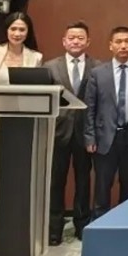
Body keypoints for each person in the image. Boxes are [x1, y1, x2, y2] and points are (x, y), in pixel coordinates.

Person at [0, 12, 42, 247]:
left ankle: (16, 227)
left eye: (22, 29)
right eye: (14, 29)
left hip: (21, 124)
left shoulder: (35, 57)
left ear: (28, 32)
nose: (17, 33)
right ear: (6, 31)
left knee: (17, 178)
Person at [83, 26, 128, 225]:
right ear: (111, 45)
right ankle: (100, 226)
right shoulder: (97, 73)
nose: (123, 46)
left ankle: (125, 226)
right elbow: (90, 107)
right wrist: (90, 137)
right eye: (118, 42)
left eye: (127, 41)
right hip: (104, 138)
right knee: (102, 187)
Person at [43, 21, 97, 244]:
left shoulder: (97, 67)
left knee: (83, 181)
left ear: (88, 42)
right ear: (64, 41)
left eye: (80, 38)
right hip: (58, 132)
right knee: (56, 182)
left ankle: (82, 225)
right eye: (71, 38)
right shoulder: (49, 67)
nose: (76, 41)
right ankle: (53, 229)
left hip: (85, 133)